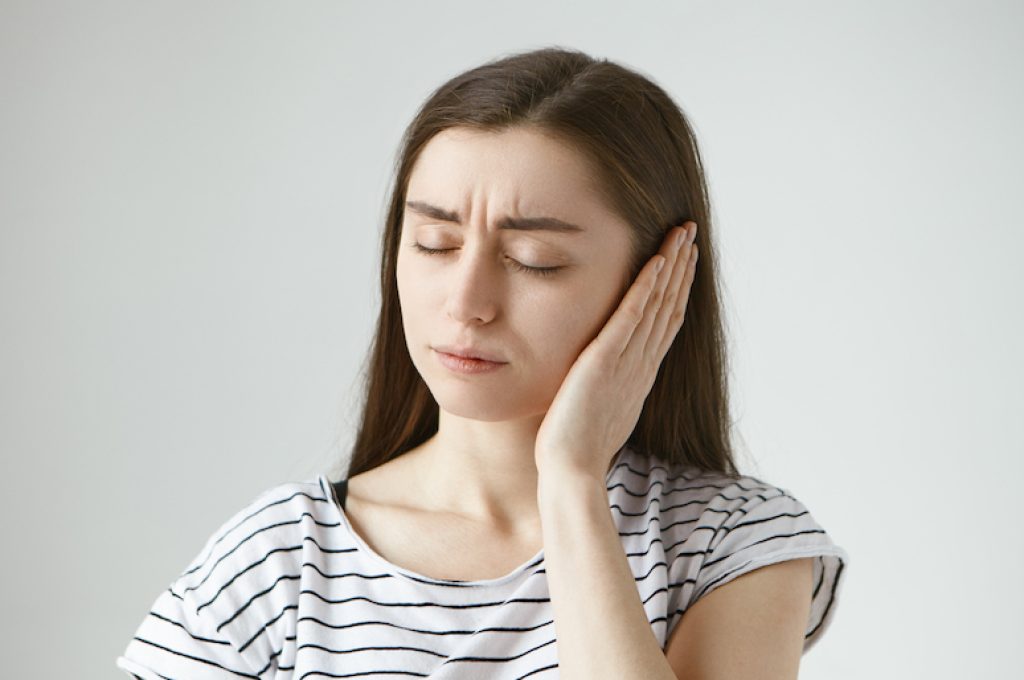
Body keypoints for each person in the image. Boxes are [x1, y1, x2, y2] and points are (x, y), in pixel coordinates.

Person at [117, 46, 848, 679]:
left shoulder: (730, 541)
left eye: (534, 260)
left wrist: (571, 481)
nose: (466, 302)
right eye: (433, 244)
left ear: (658, 279)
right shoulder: (279, 560)